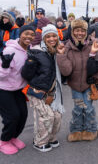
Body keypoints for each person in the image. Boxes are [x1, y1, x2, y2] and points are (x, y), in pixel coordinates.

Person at [21, 24, 64, 152]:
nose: (52, 39)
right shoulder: (36, 52)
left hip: (51, 91)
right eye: (48, 36)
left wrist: (61, 55)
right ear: (44, 38)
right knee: (47, 116)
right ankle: (39, 142)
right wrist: (30, 63)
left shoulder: (56, 51)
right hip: (37, 91)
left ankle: (50, 138)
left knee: (57, 115)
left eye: (54, 36)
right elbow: (26, 74)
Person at [57, 19, 98, 142]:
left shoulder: (92, 45)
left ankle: (91, 129)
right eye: (77, 30)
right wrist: (61, 55)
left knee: (89, 108)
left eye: (82, 30)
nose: (79, 33)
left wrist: (96, 79)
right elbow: (66, 71)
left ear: (86, 32)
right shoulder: (67, 47)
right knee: (78, 108)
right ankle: (76, 130)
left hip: (89, 84)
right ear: (72, 31)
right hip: (75, 85)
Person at [0, 25, 35, 155]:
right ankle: (4, 141)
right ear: (20, 34)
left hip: (18, 89)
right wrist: (5, 66)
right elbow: (1, 75)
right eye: (26, 33)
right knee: (12, 116)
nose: (29, 37)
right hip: (3, 89)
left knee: (23, 115)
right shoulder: (9, 50)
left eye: (32, 34)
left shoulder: (29, 50)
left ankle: (13, 137)